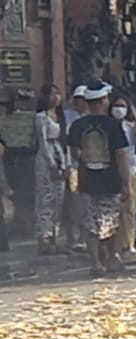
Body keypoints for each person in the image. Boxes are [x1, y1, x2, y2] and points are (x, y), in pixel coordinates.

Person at [64, 82, 131, 277]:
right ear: (104, 101)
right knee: (111, 220)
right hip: (111, 179)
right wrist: (126, 182)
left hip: (87, 178)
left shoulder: (78, 125)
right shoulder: (113, 125)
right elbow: (120, 154)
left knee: (91, 221)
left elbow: (75, 152)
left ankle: (96, 262)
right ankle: (112, 258)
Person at [109, 91, 136, 260]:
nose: (119, 109)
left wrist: (134, 114)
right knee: (112, 211)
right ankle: (113, 247)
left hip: (131, 168)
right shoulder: (108, 125)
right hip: (111, 170)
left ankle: (128, 244)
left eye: (122, 106)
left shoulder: (131, 126)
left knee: (130, 209)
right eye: (116, 106)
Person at [33, 84, 66, 252]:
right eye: (52, 94)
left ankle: (55, 236)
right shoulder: (41, 117)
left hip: (59, 154)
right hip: (47, 158)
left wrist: (64, 164)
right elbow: (43, 142)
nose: (56, 97)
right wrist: (52, 164)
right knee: (46, 197)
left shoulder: (60, 116)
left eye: (57, 94)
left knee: (59, 199)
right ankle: (43, 236)